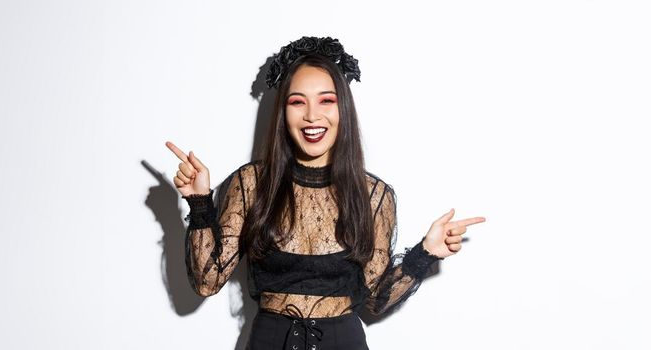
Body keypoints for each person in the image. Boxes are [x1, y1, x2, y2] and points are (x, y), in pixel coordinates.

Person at [165, 36, 486, 350]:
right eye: (297, 102)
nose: (312, 116)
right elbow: (207, 282)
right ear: (283, 112)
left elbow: (375, 299)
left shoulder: (373, 195)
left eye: (326, 100)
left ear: (342, 108)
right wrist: (200, 202)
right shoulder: (252, 184)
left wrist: (424, 253)